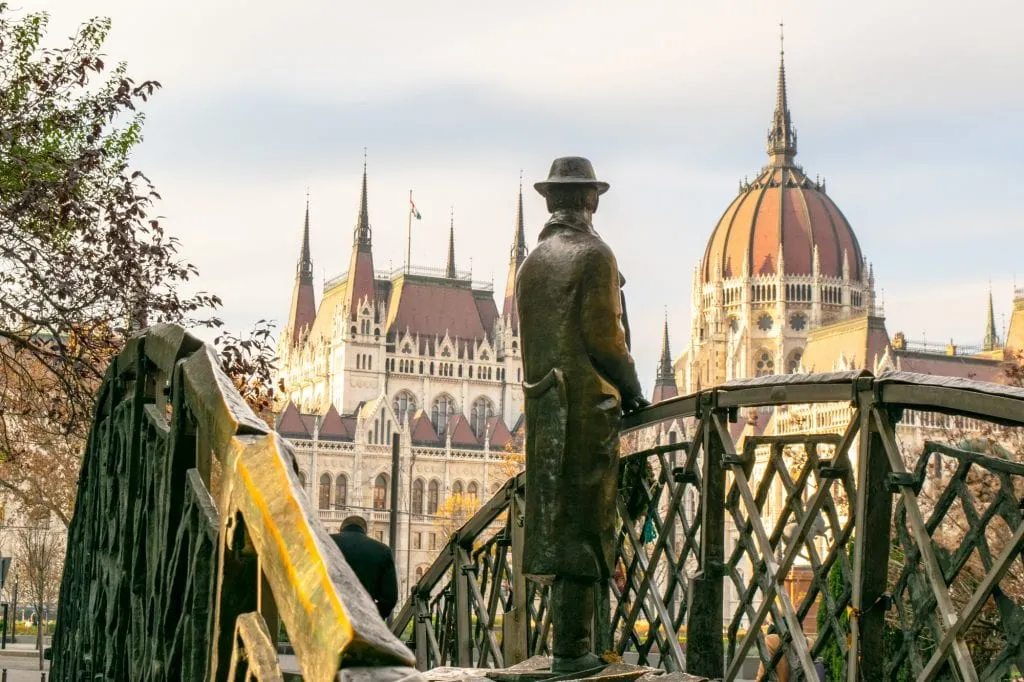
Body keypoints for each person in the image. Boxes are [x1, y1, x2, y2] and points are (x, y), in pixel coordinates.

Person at [516, 156, 649, 673]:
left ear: (551, 201)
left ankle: (567, 646)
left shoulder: (532, 264)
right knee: (588, 522)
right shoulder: (594, 255)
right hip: (587, 407)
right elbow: (605, 340)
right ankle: (573, 652)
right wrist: (633, 390)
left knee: (556, 520)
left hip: (546, 405)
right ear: (590, 200)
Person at [330, 515, 398, 620]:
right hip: (364, 619)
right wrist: (374, 615)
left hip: (329, 615)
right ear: (365, 531)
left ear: (341, 528)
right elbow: (389, 598)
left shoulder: (324, 542)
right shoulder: (382, 550)